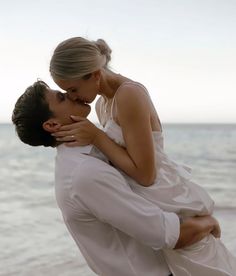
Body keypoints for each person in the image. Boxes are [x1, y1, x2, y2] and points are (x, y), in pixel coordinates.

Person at [49, 37, 236, 275]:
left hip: (169, 199)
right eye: (66, 92)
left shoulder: (129, 94)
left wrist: (97, 137)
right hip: (153, 207)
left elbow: (146, 174)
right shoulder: (102, 104)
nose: (73, 97)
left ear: (95, 74)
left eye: (73, 89)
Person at [12, 81, 222, 276]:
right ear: (52, 126)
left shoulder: (94, 155)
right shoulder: (85, 174)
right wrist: (208, 222)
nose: (71, 95)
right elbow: (165, 233)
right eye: (61, 97)